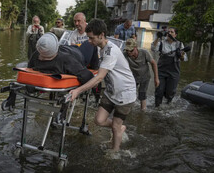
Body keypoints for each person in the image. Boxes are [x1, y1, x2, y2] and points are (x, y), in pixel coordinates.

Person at [69, 19, 136, 152]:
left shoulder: (110, 51)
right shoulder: (101, 48)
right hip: (111, 91)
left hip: (125, 92)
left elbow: (99, 77)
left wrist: (78, 91)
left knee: (115, 126)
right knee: (99, 120)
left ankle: (115, 151)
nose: (89, 41)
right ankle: (119, 128)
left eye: (91, 38)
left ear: (101, 35)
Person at [28, 32, 94, 85]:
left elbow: (29, 69)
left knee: (73, 46)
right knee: (90, 42)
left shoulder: (36, 55)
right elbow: (87, 76)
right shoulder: (65, 59)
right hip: (78, 54)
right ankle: (96, 67)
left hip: (68, 49)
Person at [151, 27, 188, 107]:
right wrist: (158, 37)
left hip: (174, 71)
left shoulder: (179, 44)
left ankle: (168, 106)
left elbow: (184, 59)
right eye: (168, 32)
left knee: (170, 92)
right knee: (159, 90)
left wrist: (180, 55)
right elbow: (153, 48)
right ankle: (157, 107)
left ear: (175, 35)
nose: (169, 33)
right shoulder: (161, 42)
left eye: (171, 32)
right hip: (161, 70)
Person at [123, 38, 160, 111]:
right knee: (129, 92)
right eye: (127, 50)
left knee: (142, 94)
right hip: (133, 77)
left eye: (131, 50)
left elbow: (153, 63)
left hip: (145, 77)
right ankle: (128, 109)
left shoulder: (144, 53)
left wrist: (156, 78)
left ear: (135, 48)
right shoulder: (125, 55)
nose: (129, 53)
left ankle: (143, 111)